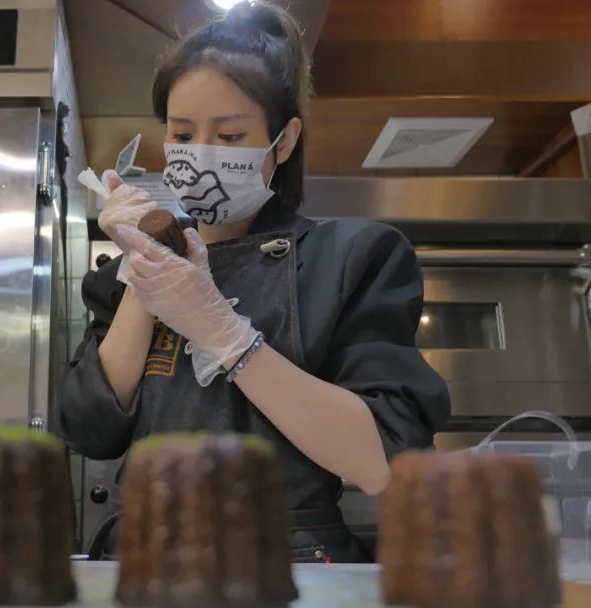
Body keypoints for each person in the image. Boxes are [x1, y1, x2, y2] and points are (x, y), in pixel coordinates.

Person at [57, 1, 449, 563]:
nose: (201, 153)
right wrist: (152, 266)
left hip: (286, 564)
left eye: (231, 135)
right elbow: (90, 432)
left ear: (283, 142)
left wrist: (225, 334)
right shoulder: (124, 277)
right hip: (144, 561)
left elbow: (381, 463)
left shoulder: (349, 260)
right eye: (182, 133)